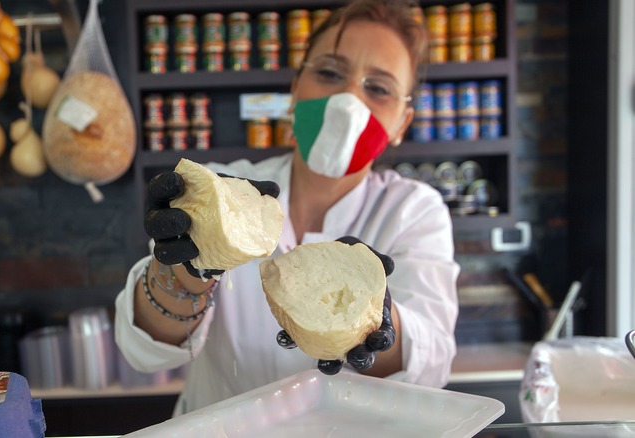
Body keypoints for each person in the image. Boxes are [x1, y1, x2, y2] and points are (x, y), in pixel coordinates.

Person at [115, 0, 459, 417]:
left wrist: (375, 322)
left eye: (378, 88)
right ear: (296, 89)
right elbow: (147, 354)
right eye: (330, 73)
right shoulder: (221, 188)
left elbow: (432, 366)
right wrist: (189, 267)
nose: (348, 101)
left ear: (402, 123)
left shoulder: (412, 209)